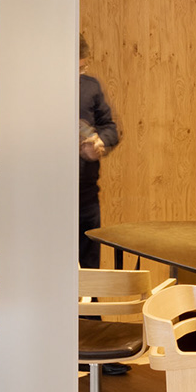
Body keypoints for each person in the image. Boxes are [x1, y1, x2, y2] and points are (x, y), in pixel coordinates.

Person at [78, 36, 119, 270]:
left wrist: (100, 143)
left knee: (90, 267)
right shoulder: (38, 89)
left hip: (86, 194)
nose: (79, 74)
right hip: (48, 194)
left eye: (82, 68)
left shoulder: (91, 86)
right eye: (74, 69)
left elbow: (110, 127)